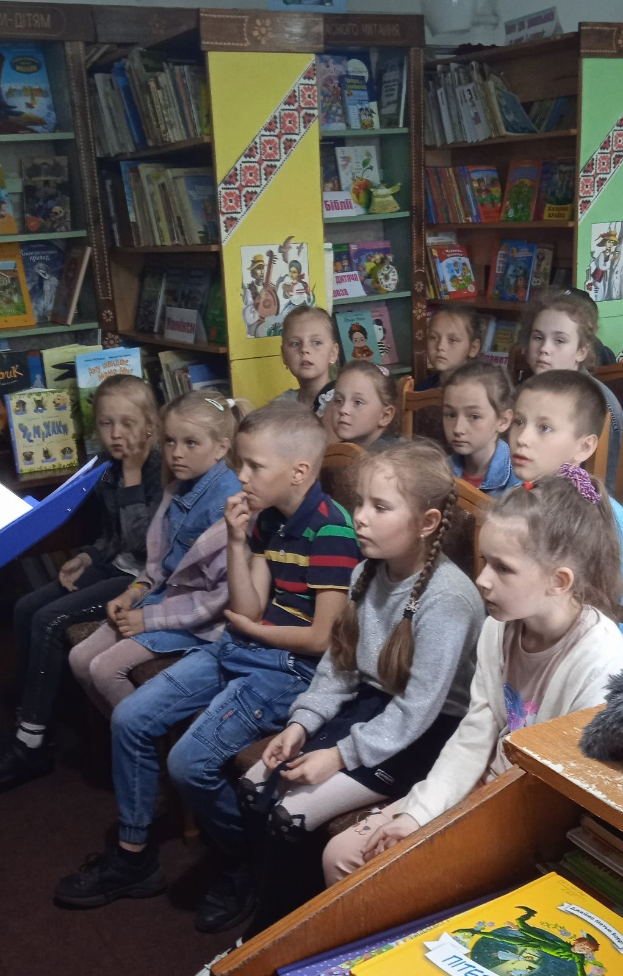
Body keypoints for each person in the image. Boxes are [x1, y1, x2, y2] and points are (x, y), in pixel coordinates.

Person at [54, 401, 360, 935]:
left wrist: (253, 630)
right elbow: (247, 606)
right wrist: (240, 542)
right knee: (131, 720)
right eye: (240, 463)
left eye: (254, 466)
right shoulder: (266, 521)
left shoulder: (331, 531)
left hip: (289, 670)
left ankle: (242, 860)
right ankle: (135, 856)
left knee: (188, 764)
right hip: (243, 649)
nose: (240, 477)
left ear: (299, 472)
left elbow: (320, 639)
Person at [323, 468, 623, 883]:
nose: (481, 579)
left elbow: (558, 797)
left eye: (503, 568)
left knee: (389, 880)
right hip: (481, 788)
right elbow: (477, 729)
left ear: (559, 581)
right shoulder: (499, 625)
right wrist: (420, 813)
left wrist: (450, 826)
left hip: (524, 821)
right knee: (341, 855)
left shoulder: (600, 660)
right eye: (485, 561)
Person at [238, 439, 484, 935]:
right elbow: (339, 667)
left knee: (291, 814)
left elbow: (417, 710)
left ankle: (273, 937)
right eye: (359, 503)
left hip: (430, 731)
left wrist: (340, 756)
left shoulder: (449, 599)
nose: (360, 518)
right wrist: (302, 724)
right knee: (255, 785)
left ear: (427, 523)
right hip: (375, 710)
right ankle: (268, 910)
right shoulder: (364, 573)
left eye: (380, 506)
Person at [2, 374, 162, 791]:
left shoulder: (157, 469)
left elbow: (145, 547)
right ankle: (37, 711)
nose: (116, 433)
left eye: (127, 423)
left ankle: (30, 745)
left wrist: (130, 476)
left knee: (51, 620)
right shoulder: (110, 469)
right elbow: (113, 537)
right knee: (24, 608)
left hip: (142, 581)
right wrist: (87, 556)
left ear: (149, 424)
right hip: (115, 565)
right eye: (107, 424)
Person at [69, 391, 245, 714]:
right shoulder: (177, 487)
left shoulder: (228, 502)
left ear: (221, 447)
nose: (176, 453)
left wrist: (147, 619)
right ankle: (123, 736)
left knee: (104, 670)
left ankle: (138, 742)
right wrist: (133, 593)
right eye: (170, 442)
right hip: (161, 604)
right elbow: (158, 567)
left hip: (201, 624)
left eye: (191, 443)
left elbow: (218, 599)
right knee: (79, 659)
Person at [521, 287, 623, 493]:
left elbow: (602, 491)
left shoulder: (600, 405)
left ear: (581, 352)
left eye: (559, 340)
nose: (544, 348)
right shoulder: (524, 392)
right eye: (538, 337)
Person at [443, 360, 521, 495]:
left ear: (503, 421)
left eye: (474, 416)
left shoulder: (518, 483)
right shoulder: (441, 472)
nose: (457, 429)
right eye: (451, 415)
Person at [277, 306, 339, 420]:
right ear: (284, 355)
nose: (304, 349)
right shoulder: (281, 407)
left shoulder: (341, 404)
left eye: (316, 342)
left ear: (333, 353)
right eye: (295, 343)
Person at [332, 360, 399, 450]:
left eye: (358, 402)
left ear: (385, 416)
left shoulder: (394, 460)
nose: (343, 409)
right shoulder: (336, 453)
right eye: (339, 401)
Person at [416, 307, 481, 391]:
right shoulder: (421, 390)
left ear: (473, 348)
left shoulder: (480, 393)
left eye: (453, 340)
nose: (440, 346)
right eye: (433, 337)